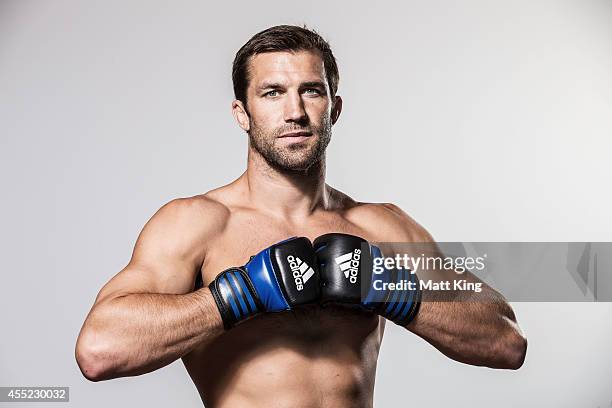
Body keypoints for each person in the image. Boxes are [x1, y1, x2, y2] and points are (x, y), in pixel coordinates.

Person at [75, 25, 527, 407]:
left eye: (311, 91)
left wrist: (391, 290)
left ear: (335, 108)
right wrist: (237, 295)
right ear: (243, 113)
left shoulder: (380, 227)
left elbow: (505, 340)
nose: (294, 112)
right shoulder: (198, 224)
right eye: (272, 93)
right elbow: (99, 350)